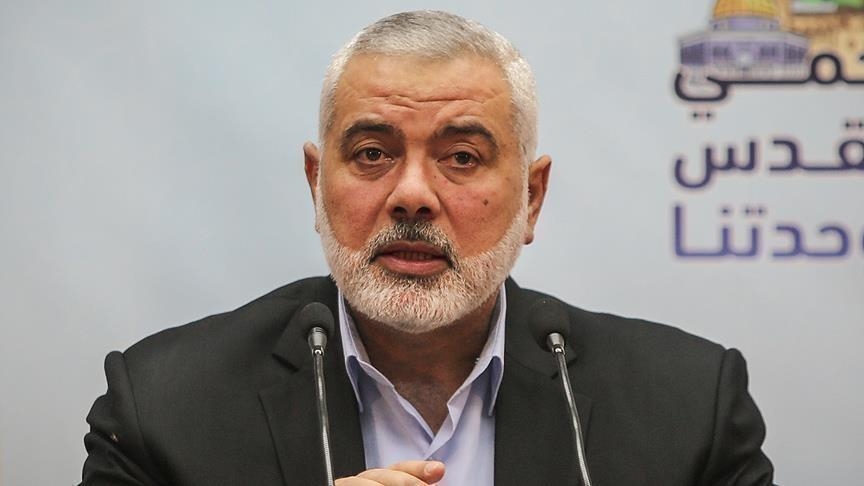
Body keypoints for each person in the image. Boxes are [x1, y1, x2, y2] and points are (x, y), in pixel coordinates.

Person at [81, 10, 775, 486]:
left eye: (462, 157)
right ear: (316, 184)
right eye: (372, 153)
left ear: (532, 198)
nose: (412, 195)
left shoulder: (690, 408)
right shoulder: (164, 408)